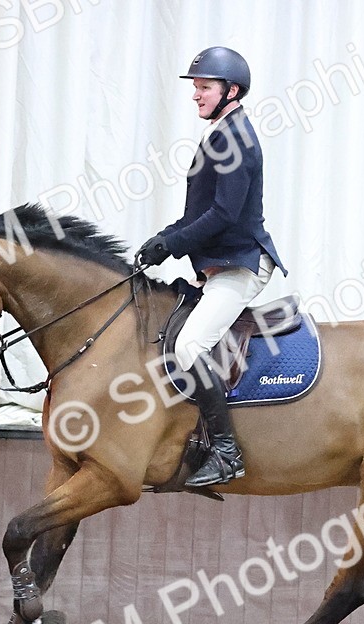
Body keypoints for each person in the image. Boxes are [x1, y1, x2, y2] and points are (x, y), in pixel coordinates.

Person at [137, 46, 286, 488]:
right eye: (196, 87)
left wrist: (174, 244)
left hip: (240, 266)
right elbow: (201, 210)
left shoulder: (236, 137)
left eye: (204, 87)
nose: (196, 95)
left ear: (231, 91)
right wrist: (165, 237)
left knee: (189, 348)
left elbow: (223, 214)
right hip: (219, 264)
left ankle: (225, 452)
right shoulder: (221, 132)